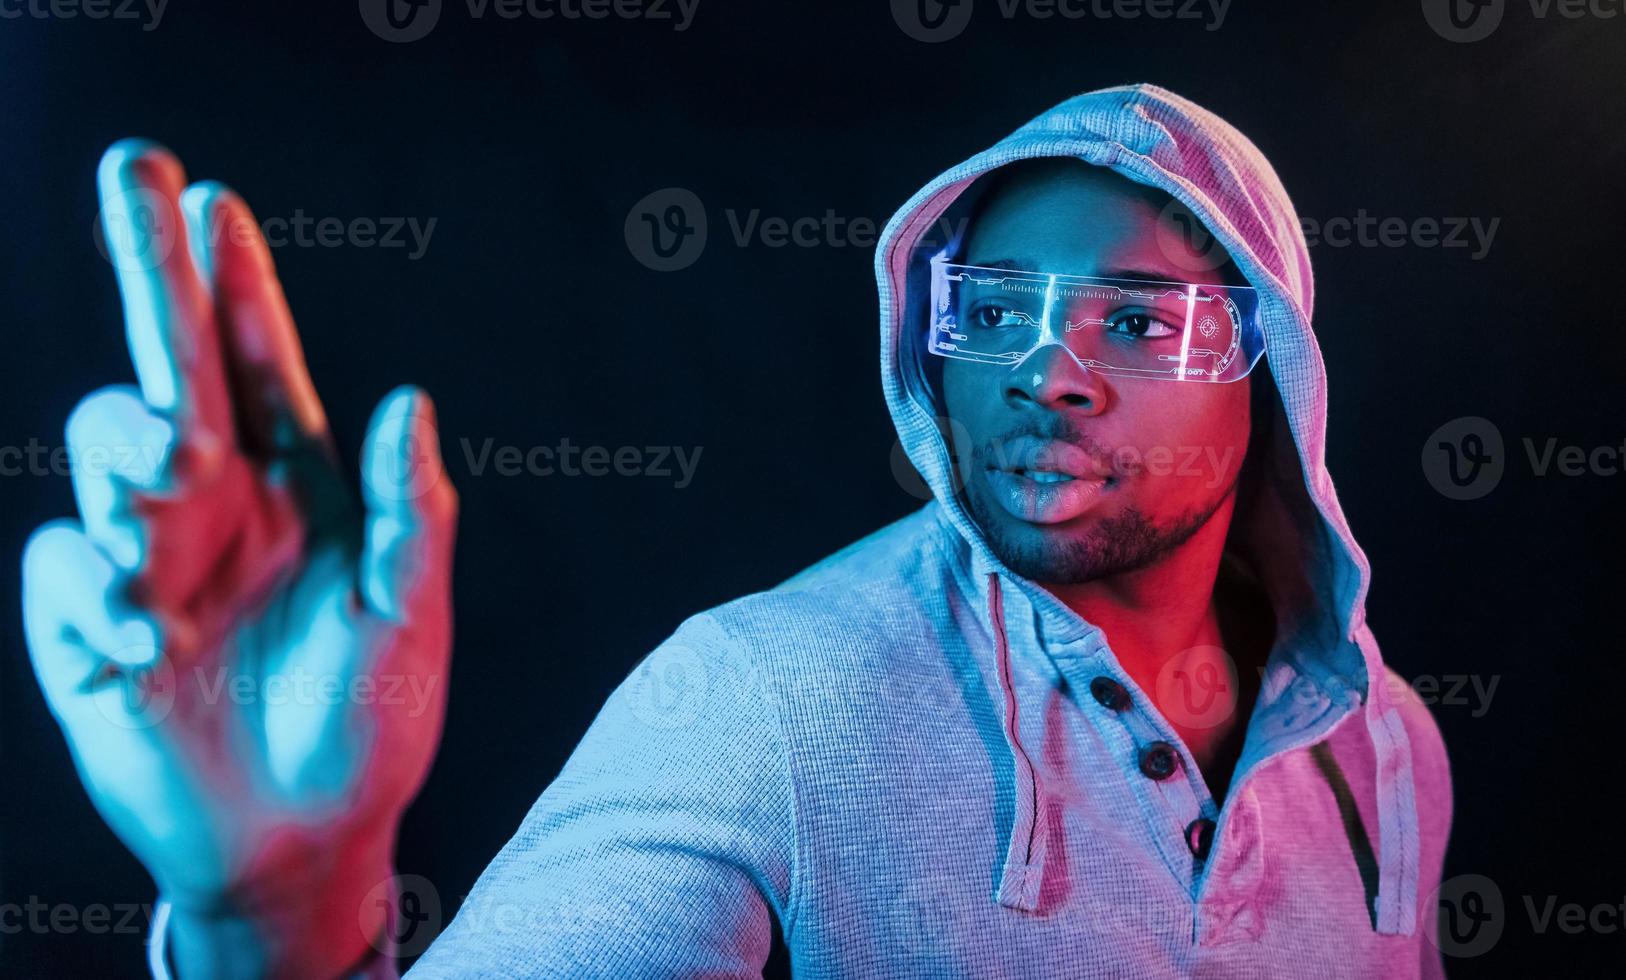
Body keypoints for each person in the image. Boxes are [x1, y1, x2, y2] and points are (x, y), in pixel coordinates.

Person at [21, 83, 1452, 978]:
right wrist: (279, 911)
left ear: (1272, 376)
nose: (1042, 369)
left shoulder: (1380, 745)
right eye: (991, 311)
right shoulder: (771, 692)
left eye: (1136, 322)